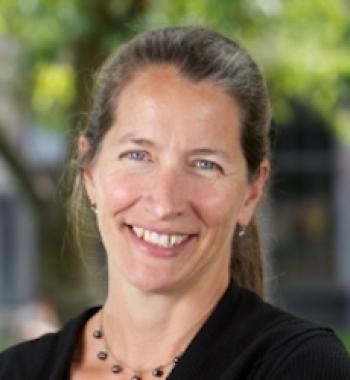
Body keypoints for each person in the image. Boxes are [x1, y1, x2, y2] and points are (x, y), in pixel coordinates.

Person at [0, 25, 349, 380]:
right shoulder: (16, 371)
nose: (165, 202)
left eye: (205, 164)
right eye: (138, 155)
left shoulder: (303, 368)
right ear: (90, 172)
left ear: (251, 192)